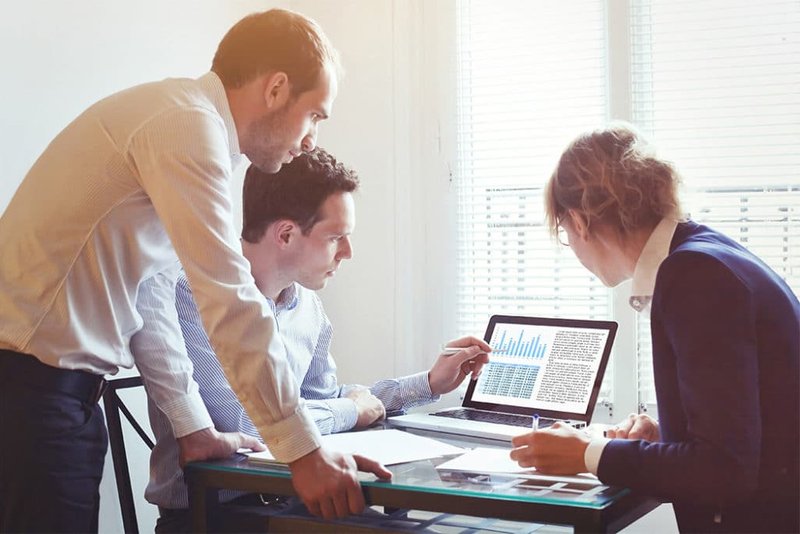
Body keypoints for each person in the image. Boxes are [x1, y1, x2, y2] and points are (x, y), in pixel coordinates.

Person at [0, 9, 387, 532]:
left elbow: (151, 295)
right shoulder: (186, 126)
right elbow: (228, 298)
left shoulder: (187, 125)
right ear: (276, 90)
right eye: (315, 115)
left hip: (54, 393)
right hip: (30, 390)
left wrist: (193, 429)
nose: (312, 138)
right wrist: (303, 453)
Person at [145, 149, 491, 532]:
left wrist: (426, 384)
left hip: (300, 501)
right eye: (336, 238)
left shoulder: (307, 307)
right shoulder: (193, 295)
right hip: (215, 516)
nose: (348, 252)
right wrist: (350, 410)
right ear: (287, 234)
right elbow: (252, 427)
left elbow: (323, 403)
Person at [509, 123, 799, 533]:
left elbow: (726, 470)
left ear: (579, 220)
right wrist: (666, 437)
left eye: (563, 232)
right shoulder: (708, 253)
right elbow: (746, 428)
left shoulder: (693, 275)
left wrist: (592, 453)